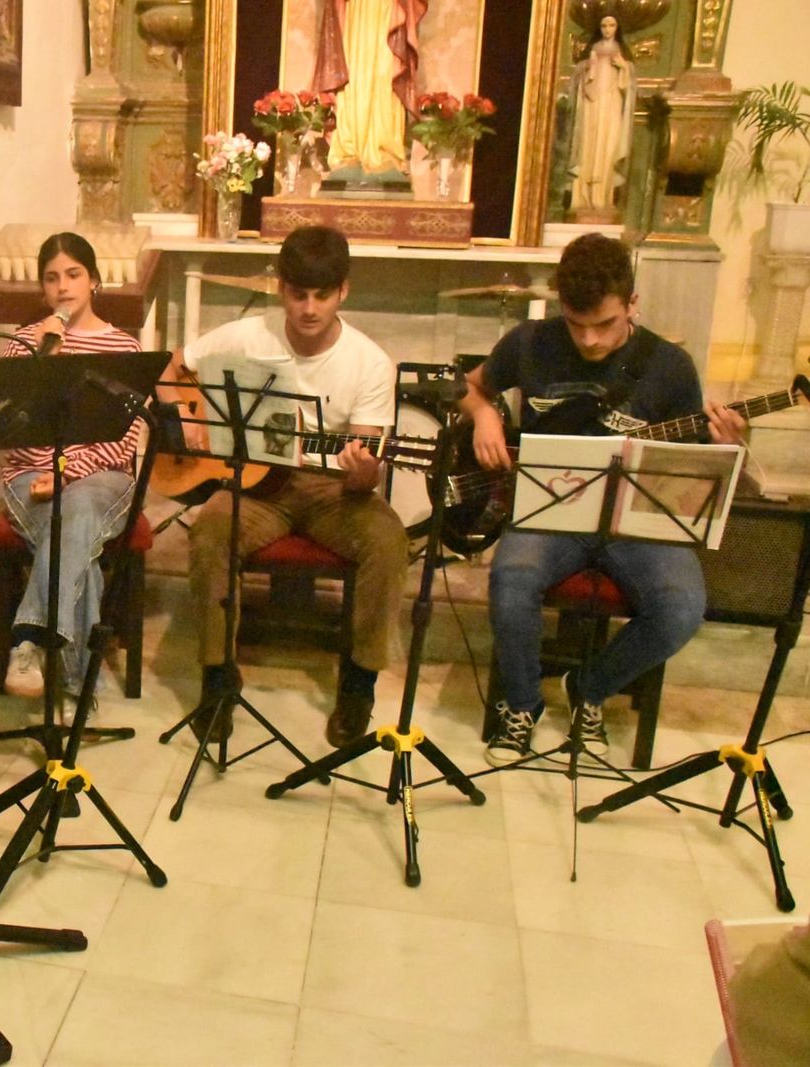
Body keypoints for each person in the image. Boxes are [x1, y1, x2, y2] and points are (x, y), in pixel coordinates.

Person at [464, 233, 744, 767]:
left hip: (636, 518)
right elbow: (469, 386)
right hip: (553, 507)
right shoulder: (531, 342)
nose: (589, 340)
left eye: (605, 325)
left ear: (633, 304)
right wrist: (483, 413)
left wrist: (724, 448)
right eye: (577, 324)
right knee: (511, 578)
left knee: (682, 607)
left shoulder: (670, 365)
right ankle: (522, 704)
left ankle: (588, 688)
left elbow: (684, 471)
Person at [182, 225, 408, 747]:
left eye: (322, 295)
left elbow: (366, 458)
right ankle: (217, 676)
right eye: (298, 294)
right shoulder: (247, 334)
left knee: (387, 541)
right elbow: (177, 365)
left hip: (333, 491)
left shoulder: (369, 362)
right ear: (280, 288)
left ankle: (358, 682)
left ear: (343, 291)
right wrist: (186, 416)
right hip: (259, 485)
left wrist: (363, 471)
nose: (309, 308)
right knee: (211, 530)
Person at [0, 232, 142, 705]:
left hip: (102, 478)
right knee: (76, 538)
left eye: (73, 274)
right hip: (29, 478)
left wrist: (67, 468)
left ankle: (29, 640)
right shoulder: (24, 343)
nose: (63, 287)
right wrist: (44, 362)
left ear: (94, 280)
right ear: (43, 289)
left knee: (77, 506)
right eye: (52, 278)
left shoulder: (123, 346)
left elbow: (124, 440)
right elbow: (10, 433)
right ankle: (80, 688)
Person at [312, 0, 429, 174]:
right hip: (355, 10)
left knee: (385, 76)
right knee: (354, 74)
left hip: (388, 10)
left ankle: (386, 150)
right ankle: (349, 150)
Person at [568, 14, 636, 216]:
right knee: (588, 146)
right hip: (592, 105)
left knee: (607, 147)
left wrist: (624, 68)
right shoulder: (593, 51)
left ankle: (602, 197)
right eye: (604, 25)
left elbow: (629, 85)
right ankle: (583, 197)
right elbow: (578, 78)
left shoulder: (622, 53)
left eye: (612, 25)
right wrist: (589, 67)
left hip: (612, 103)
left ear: (617, 28)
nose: (608, 29)